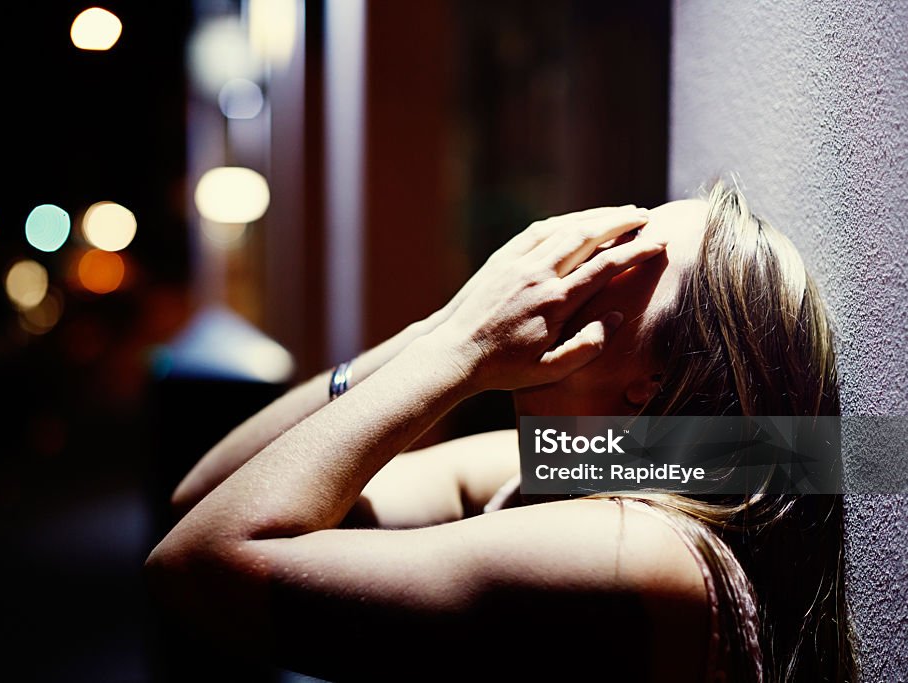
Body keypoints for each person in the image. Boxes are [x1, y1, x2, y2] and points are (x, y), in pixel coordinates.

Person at [145, 181, 857, 682]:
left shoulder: (639, 552)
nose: (574, 249)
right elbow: (202, 498)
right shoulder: (585, 466)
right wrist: (442, 329)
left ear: (658, 371)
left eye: (628, 251)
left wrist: (459, 350)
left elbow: (198, 565)